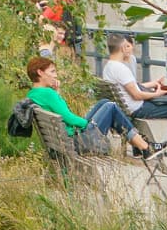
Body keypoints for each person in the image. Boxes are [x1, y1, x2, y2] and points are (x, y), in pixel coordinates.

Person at [23, 52, 154, 154]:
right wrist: (87, 124)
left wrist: (57, 92)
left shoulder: (34, 94)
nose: (56, 75)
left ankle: (139, 145)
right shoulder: (47, 93)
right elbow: (68, 117)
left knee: (104, 102)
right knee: (111, 106)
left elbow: (59, 112)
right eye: (52, 72)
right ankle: (144, 147)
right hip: (77, 142)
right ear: (40, 72)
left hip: (65, 140)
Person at [100, 32, 167, 123]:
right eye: (127, 46)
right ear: (123, 48)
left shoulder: (108, 67)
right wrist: (157, 94)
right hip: (137, 109)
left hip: (127, 107)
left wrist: (153, 86)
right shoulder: (121, 69)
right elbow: (137, 95)